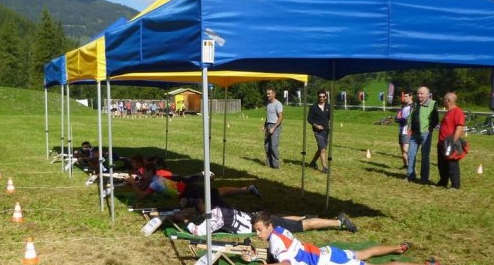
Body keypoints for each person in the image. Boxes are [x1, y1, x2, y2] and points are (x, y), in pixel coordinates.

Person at [245, 213, 454, 265]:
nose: (258, 234)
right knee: (364, 252)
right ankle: (399, 247)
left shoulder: (275, 241)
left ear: (269, 226)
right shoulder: (279, 230)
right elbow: (278, 253)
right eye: (256, 230)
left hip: (327, 261)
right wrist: (258, 255)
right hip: (324, 251)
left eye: (260, 230)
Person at [178, 197, 358, 236]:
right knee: (286, 218)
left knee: (305, 226)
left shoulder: (215, 217)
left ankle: (338, 222)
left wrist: (184, 219)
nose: (197, 208)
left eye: (198, 206)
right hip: (258, 217)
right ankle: (305, 216)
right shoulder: (220, 208)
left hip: (262, 223)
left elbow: (197, 232)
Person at [128, 162, 260, 203]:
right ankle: (246, 189)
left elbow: (141, 196)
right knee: (218, 192)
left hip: (188, 192)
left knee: (218, 193)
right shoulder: (155, 179)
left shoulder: (154, 183)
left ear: (150, 172)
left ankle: (247, 189)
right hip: (186, 189)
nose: (142, 174)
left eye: (144, 172)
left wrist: (132, 183)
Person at [406, 86, 439, 183]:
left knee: (425, 157)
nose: (419, 95)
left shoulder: (432, 104)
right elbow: (411, 116)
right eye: (418, 93)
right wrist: (409, 125)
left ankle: (424, 178)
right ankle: (410, 175)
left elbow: (436, 119)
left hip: (425, 134)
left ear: (427, 94)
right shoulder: (415, 104)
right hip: (414, 134)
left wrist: (431, 127)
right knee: (411, 155)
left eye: (422, 93)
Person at [436, 92, 466, 189]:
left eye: (444, 100)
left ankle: (455, 185)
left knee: (452, 164)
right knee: (441, 164)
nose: (443, 101)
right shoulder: (448, 112)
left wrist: (452, 142)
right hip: (442, 143)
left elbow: (459, 128)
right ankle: (443, 182)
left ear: (448, 100)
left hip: (449, 143)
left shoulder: (457, 112)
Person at [307, 89, 331, 173]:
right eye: (320, 97)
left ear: (326, 97)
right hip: (317, 131)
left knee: (321, 148)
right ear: (317, 97)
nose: (321, 98)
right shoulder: (313, 107)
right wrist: (316, 125)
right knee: (323, 148)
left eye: (323, 97)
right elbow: (309, 119)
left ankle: (313, 162)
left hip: (326, 131)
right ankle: (325, 167)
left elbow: (330, 117)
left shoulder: (328, 107)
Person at [262, 86, 284, 168]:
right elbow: (268, 116)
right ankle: (268, 163)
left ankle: (275, 165)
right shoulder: (268, 104)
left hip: (275, 126)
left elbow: (281, 117)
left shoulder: (278, 104)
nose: (267, 95)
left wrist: (273, 128)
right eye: (267, 94)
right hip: (268, 125)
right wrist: (264, 126)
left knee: (273, 146)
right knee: (267, 146)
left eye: (269, 94)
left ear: (274, 94)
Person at [396, 92, 413, 169]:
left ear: (411, 97)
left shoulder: (413, 106)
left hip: (408, 131)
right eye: (404, 96)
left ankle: (410, 167)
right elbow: (397, 117)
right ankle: (405, 165)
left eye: (406, 96)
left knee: (405, 149)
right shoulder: (403, 107)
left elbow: (410, 119)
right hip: (401, 130)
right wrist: (398, 119)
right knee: (402, 150)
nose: (404, 98)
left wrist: (404, 120)